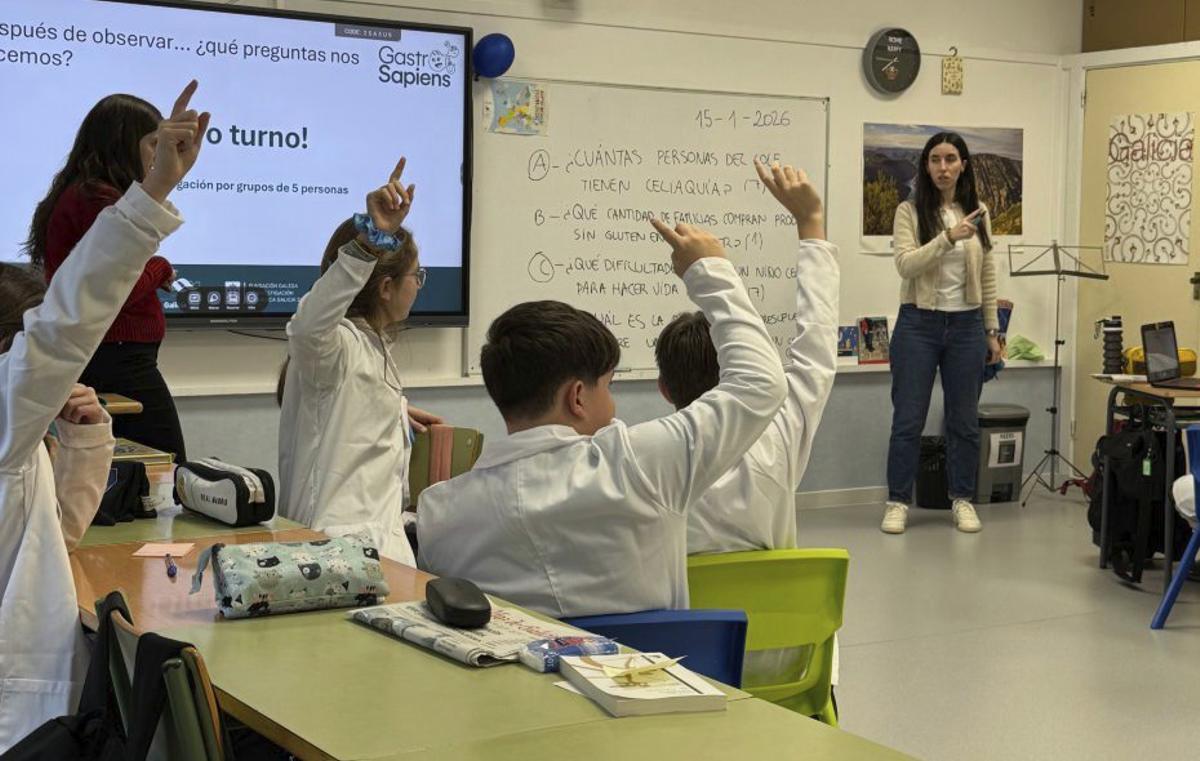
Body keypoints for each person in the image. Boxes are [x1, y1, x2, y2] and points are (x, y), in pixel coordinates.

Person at [416, 170, 790, 618]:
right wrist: (709, 271)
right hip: (653, 665)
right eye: (608, 387)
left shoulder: (439, 513)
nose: (613, 408)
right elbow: (761, 382)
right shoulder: (639, 463)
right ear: (577, 397)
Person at [0, 82, 206, 751]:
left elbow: (57, 531)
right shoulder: (5, 414)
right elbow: (68, 321)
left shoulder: (17, 439)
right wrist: (152, 195)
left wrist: (87, 440)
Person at [654, 160, 838, 554]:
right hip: (778, 598)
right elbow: (818, 344)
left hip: (690, 598)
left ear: (664, 389)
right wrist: (811, 222)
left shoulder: (648, 462)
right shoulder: (782, 433)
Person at [277, 157, 442, 567]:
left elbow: (344, 419)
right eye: (416, 277)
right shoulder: (341, 345)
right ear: (386, 287)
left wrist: (395, 413)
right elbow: (306, 328)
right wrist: (369, 244)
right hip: (337, 556)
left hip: (373, 549)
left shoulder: (369, 346)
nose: (419, 287)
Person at [25, 92, 191, 461]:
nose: (157, 156)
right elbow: (115, 286)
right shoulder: (95, 198)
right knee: (170, 465)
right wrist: (160, 267)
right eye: (152, 144)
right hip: (118, 358)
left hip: (113, 354)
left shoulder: (81, 192)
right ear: (124, 143)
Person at [882, 132, 1000, 535]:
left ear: (963, 165)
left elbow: (987, 273)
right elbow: (906, 265)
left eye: (951, 159)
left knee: (964, 421)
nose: (943, 167)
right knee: (908, 420)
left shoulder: (979, 212)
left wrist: (991, 330)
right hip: (918, 323)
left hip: (967, 326)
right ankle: (898, 501)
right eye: (935, 159)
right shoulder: (909, 211)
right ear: (926, 165)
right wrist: (948, 238)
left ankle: (962, 499)